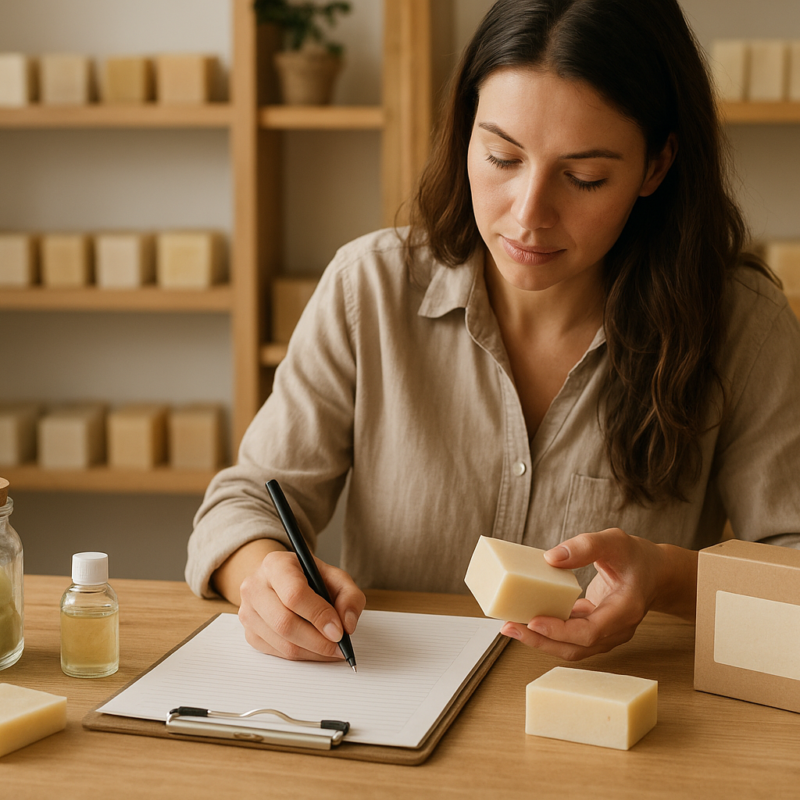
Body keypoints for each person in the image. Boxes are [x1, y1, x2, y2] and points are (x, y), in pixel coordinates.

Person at [187, 0, 800, 664]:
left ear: (655, 166)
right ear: (465, 132)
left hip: (631, 716)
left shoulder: (741, 323)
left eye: (584, 178)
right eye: (502, 157)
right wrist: (263, 576)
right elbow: (243, 503)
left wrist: (666, 577)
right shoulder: (370, 289)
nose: (529, 215)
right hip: (392, 708)